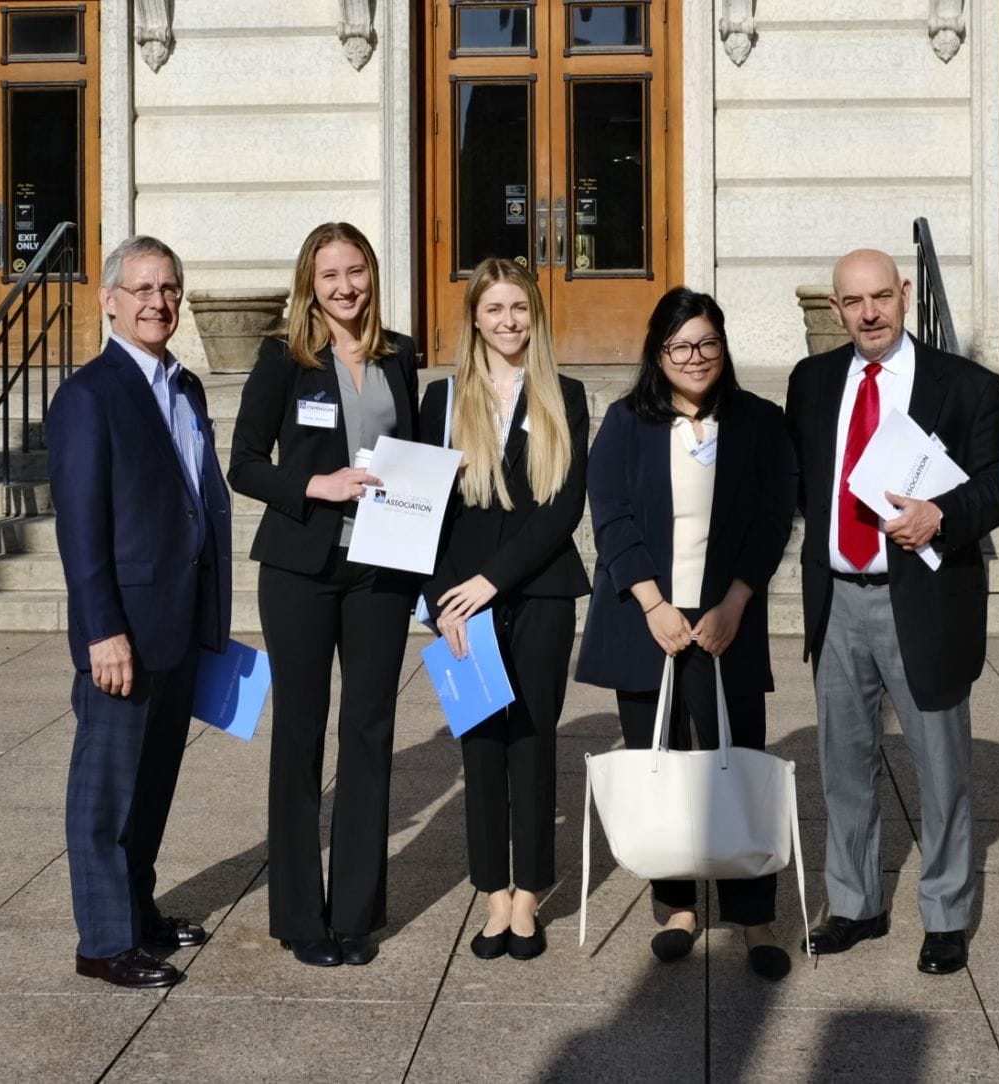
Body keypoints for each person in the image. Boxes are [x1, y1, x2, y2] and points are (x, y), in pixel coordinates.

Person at [785, 249, 999, 976]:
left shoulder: (966, 386)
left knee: (940, 766)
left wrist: (942, 515)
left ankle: (945, 914)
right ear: (836, 309)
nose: (870, 313)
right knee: (843, 764)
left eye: (882, 296)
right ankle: (854, 903)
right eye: (854, 302)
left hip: (924, 599)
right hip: (839, 600)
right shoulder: (812, 382)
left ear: (905, 295)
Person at [576, 287, 799, 981]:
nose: (695, 357)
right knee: (659, 762)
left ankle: (753, 915)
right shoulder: (624, 422)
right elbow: (609, 516)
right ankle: (676, 906)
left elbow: (773, 515)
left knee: (734, 757)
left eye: (707, 343)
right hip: (650, 619)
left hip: (725, 620)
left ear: (723, 348)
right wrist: (652, 604)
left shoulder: (759, 421)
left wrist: (735, 602)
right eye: (680, 346)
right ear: (658, 353)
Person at [226, 222, 421, 968]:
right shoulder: (283, 358)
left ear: (373, 274)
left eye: (357, 271)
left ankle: (355, 916)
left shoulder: (400, 354)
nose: (346, 287)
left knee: (369, 732)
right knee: (301, 736)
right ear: (309, 281)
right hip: (301, 569)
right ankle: (302, 914)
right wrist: (316, 483)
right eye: (331, 274)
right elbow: (243, 463)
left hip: (381, 568)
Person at [48, 234, 232, 989]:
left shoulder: (185, 388)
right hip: (122, 632)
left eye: (169, 290)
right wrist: (103, 631)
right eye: (144, 290)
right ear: (111, 301)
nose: (159, 303)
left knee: (153, 783)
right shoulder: (90, 395)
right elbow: (80, 528)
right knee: (105, 792)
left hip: (179, 623)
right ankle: (103, 941)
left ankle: (138, 910)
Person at [420, 257, 590, 963]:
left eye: (519, 308)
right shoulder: (441, 398)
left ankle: (530, 894)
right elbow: (422, 509)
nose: (509, 322)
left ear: (534, 314)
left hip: (542, 590)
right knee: (481, 743)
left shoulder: (567, 394)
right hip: (461, 600)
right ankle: (493, 892)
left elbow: (563, 509)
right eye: (494, 309)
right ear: (475, 319)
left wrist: (493, 581)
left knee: (533, 738)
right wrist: (442, 601)